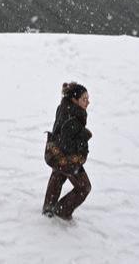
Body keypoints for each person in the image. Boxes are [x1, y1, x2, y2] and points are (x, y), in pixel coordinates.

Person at [42, 82, 92, 220]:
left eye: (88, 98)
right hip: (66, 159)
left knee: (58, 175)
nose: (88, 102)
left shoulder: (65, 107)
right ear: (74, 100)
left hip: (55, 154)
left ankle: (48, 209)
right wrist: (83, 135)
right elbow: (67, 144)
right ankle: (61, 211)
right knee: (84, 187)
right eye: (84, 99)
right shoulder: (73, 117)